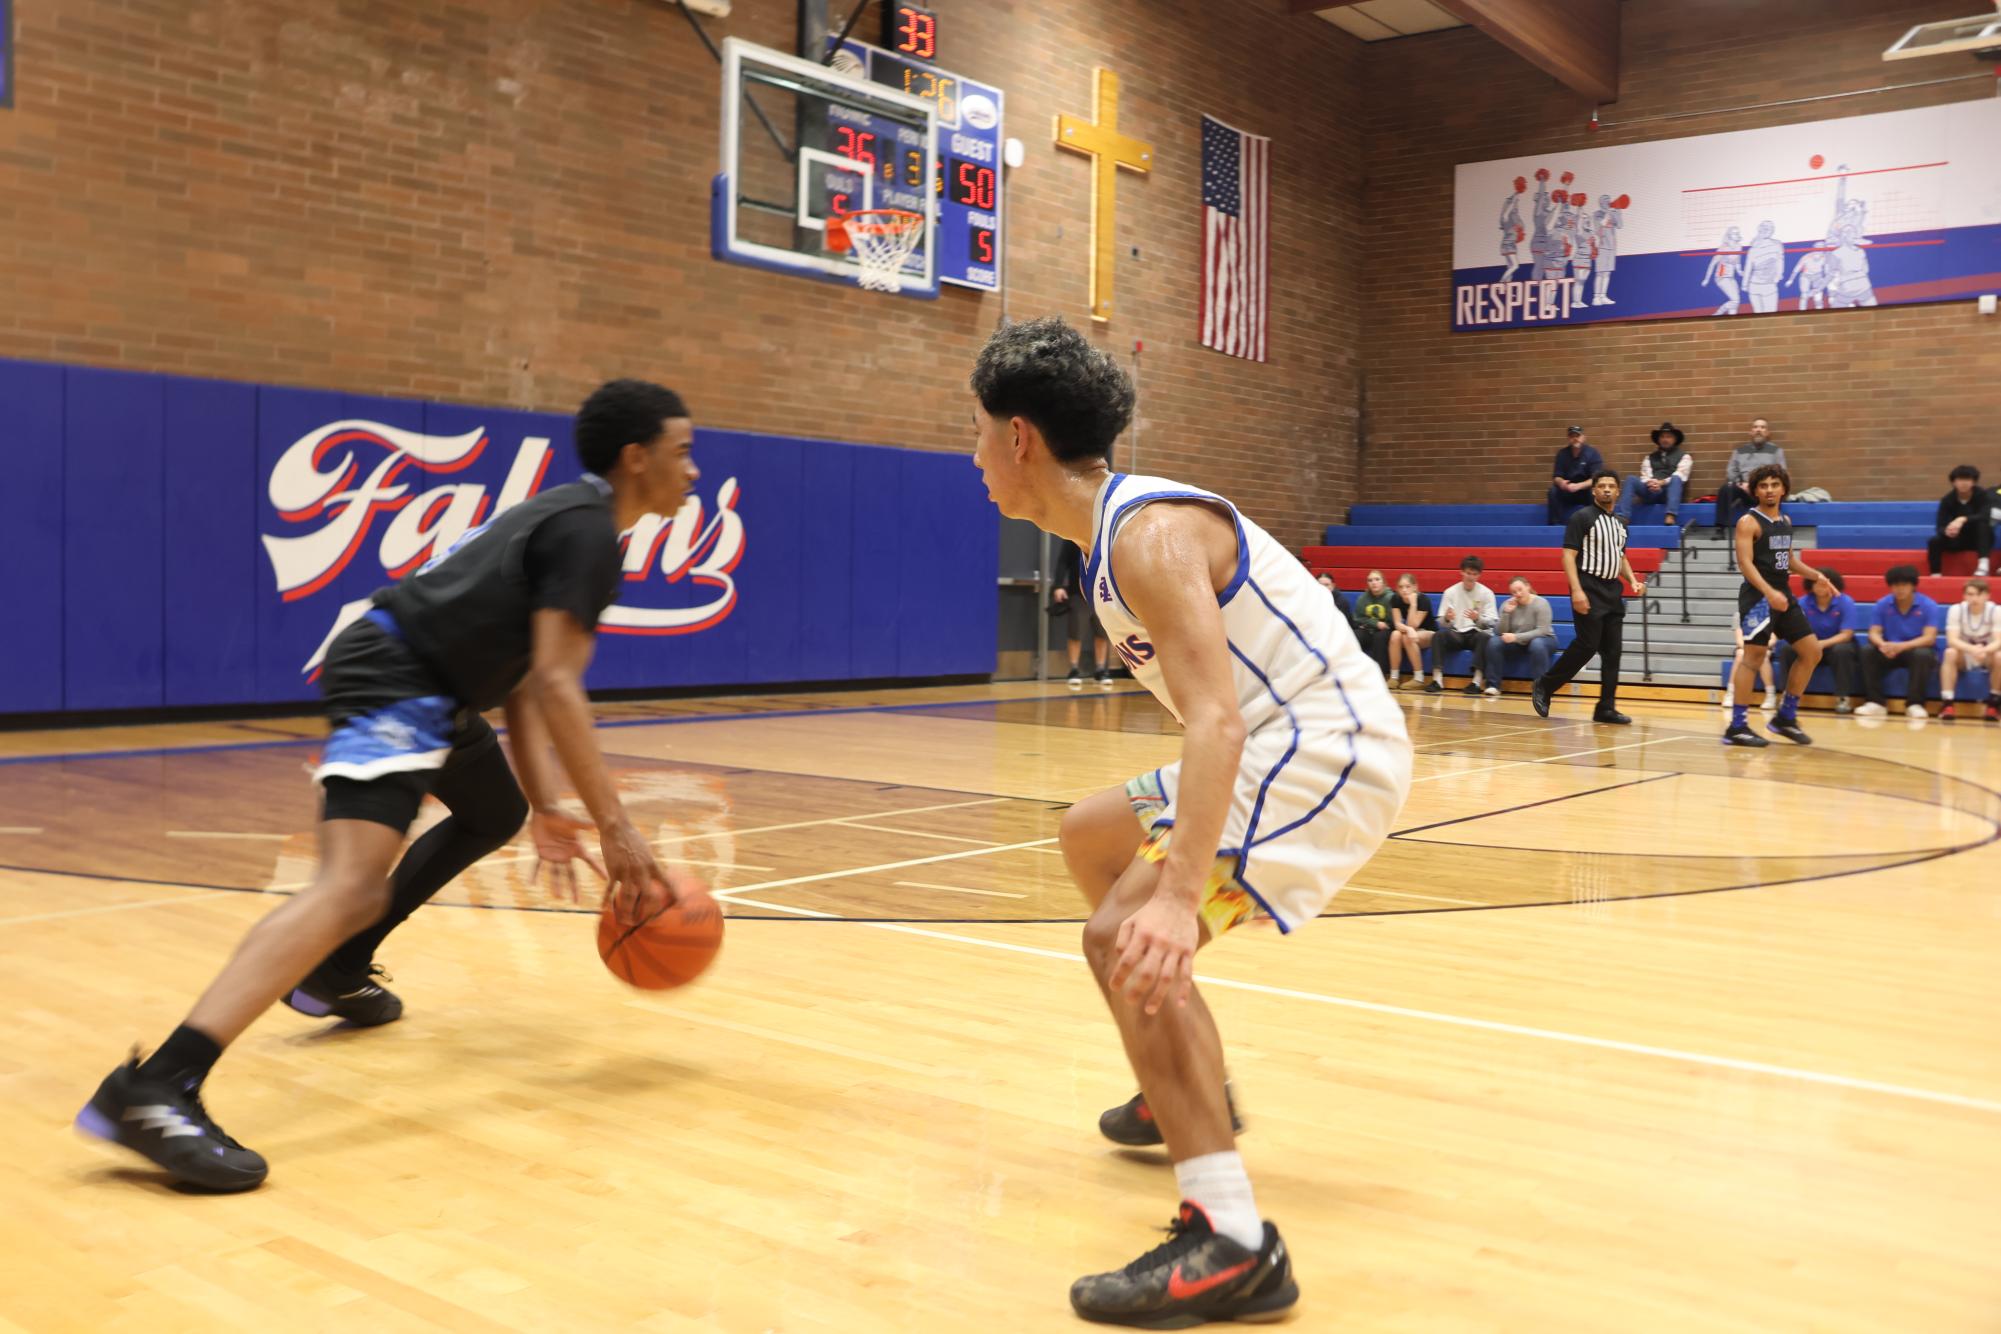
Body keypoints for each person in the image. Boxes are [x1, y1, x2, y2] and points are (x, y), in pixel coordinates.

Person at [76, 379, 707, 1190]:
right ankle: (157, 1087)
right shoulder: (586, 533)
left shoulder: (574, 520)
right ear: (636, 457)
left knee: (494, 809)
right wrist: (615, 825)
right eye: (683, 451)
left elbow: (520, 675)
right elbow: (557, 683)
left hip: (429, 684)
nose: (692, 472)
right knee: (346, 889)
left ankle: (338, 970)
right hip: (399, 677)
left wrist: (549, 806)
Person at [969, 316, 1411, 1327]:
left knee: (1126, 936)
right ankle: (1184, 1076)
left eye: (980, 433)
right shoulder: (1109, 538)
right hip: (1282, 741)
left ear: (1021, 437)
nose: (977, 456)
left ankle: (1233, 1238)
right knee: (1089, 831)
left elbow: (1218, 716)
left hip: (1318, 750)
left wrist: (1175, 897)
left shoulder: (1147, 535)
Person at [1722, 464, 1830, 746]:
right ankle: (1736, 727)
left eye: (1774, 484)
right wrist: (1768, 592)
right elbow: (1745, 564)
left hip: (1782, 595)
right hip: (1758, 598)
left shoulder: (1785, 519)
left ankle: (1785, 718)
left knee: (1812, 652)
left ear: (1784, 488)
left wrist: (1816, 575)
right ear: (1756, 491)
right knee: (1753, 658)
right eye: (1763, 485)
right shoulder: (1749, 522)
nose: (1769, 490)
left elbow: (1790, 560)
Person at [1532, 472, 1646, 725]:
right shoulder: (1581, 518)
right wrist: (1577, 590)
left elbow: (1620, 557)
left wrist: (1633, 579)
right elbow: (1568, 556)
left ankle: (1606, 707)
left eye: (1611, 486)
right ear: (1594, 491)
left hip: (1612, 591)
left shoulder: (1619, 523)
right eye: (1601, 486)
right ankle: (1545, 685)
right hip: (1588, 586)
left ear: (1618, 492)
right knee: (1587, 645)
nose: (1606, 490)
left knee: (1613, 652)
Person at [1856, 566, 1939, 719]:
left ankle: (1915, 704)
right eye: (1895, 585)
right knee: (1867, 651)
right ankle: (1876, 703)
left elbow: (1929, 638)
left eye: (1904, 585)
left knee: (1923, 654)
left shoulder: (1928, 605)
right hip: (1889, 650)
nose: (1900, 589)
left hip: (1914, 650)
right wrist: (1882, 644)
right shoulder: (1882, 604)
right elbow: (1873, 632)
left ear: (1913, 586)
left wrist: (1902, 646)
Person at [1776, 570, 1859, 714]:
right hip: (1810, 647)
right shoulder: (1803, 602)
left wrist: (1820, 644)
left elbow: (1846, 634)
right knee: (1786, 649)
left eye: (1825, 584)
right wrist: (1812, 645)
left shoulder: (1845, 601)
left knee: (1843, 650)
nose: (1821, 587)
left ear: (1832, 585)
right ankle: (1787, 695)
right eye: (1817, 584)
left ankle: (1842, 698)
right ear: (1811, 585)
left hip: (1834, 646)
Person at [1432, 556, 1498, 695]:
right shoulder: (1450, 592)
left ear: (1479, 575)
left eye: (1474, 574)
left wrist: (1478, 619)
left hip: (1476, 633)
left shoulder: (1487, 593)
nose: (1471, 577)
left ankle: (1476, 682)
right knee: (1438, 635)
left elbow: (1493, 623)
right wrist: (1447, 618)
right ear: (1461, 572)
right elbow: (1441, 623)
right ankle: (1437, 680)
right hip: (1457, 633)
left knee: (1484, 637)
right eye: (1468, 573)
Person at [1055, 539, 1114, 688]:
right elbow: (1063, 562)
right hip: (1078, 592)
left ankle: (1101, 669)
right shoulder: (1072, 538)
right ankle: (1074, 669)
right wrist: (1058, 585)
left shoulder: (1105, 538)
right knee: (1075, 631)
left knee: (1102, 632)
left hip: (1102, 594)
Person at [1939, 577, 1999, 722]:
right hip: (1965, 655)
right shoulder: (1956, 610)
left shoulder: (1996, 611)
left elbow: (1999, 641)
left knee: (2000, 656)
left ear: (1987, 595)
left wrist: (1983, 651)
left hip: (1987, 653)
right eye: (1970, 594)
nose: (1974, 598)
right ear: (1964, 596)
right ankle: (1947, 703)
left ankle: (1994, 704)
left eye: (1979, 594)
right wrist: (1973, 649)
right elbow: (1952, 640)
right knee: (1950, 652)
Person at [1481, 577, 1554, 695]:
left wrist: (1516, 637)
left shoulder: (1541, 603)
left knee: (1537, 644)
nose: (1518, 594)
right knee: (1494, 642)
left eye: (1520, 589)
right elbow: (1499, 632)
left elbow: (1542, 631)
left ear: (1528, 587)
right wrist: (1506, 614)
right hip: (1518, 643)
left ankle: (1541, 689)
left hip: (1545, 640)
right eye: (1514, 592)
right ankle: (1493, 685)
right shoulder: (1508, 604)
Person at [1717, 419, 1786, 540]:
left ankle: (1774, 528)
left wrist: (1761, 485)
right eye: (1755, 427)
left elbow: (1782, 472)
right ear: (1751, 432)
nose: (1759, 430)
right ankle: (1720, 528)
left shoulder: (1776, 451)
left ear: (1767, 433)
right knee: (1726, 488)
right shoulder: (1739, 451)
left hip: (1766, 490)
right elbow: (1731, 472)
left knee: (1777, 489)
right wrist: (1740, 484)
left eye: (1762, 427)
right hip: (1745, 491)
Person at [1618, 422, 1692, 526]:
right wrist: (1651, 483)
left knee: (1676, 478)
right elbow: (1645, 475)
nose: (1665, 439)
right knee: (1630, 479)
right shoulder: (1649, 457)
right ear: (1658, 439)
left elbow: (1682, 475)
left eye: (1669, 437)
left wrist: (1661, 483)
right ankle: (1623, 517)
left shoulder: (1685, 456)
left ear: (1674, 439)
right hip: (1651, 491)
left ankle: (1670, 515)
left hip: (1669, 493)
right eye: (1662, 437)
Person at [1928, 465, 1992, 577]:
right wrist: (1947, 531)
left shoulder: (1982, 495)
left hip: (1979, 540)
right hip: (1957, 540)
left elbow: (1986, 515)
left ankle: (1983, 565)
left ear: (1973, 482)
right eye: (1960, 479)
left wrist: (1963, 519)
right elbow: (1940, 526)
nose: (1963, 483)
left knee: (1983, 524)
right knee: (1934, 541)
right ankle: (1936, 574)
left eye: (1967, 479)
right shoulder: (1947, 500)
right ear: (1953, 482)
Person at [1546, 425, 1603, 525]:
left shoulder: (1592, 453)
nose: (1575, 438)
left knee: (1595, 491)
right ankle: (1555, 525)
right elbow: (1556, 476)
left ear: (1583, 437)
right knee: (1553, 491)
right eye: (1572, 436)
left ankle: (1596, 524)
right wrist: (1561, 483)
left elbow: (1596, 478)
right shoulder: (1562, 454)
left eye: (1578, 435)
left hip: (1585, 491)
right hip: (1568, 490)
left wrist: (1578, 486)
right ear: (1568, 438)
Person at [1386, 573, 1434, 690]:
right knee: (1395, 635)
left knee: (1406, 637)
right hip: (1408, 632)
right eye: (1401, 587)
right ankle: (1394, 677)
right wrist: (1408, 629)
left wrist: (1413, 604)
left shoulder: (1423, 599)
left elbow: (1414, 624)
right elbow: (1397, 624)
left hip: (1429, 633)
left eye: (1407, 587)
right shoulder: (1396, 598)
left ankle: (1419, 678)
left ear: (1414, 587)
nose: (1404, 590)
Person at [1349, 569, 1397, 678]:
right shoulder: (1363, 598)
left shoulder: (1391, 598)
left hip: (1387, 631)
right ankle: (1353, 672)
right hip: (1369, 629)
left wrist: (1376, 624)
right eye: (1370, 580)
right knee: (1355, 635)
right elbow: (1357, 619)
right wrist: (1375, 623)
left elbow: (1392, 621)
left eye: (1377, 579)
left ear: (1383, 582)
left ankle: (1380, 674)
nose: (1373, 582)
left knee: (1379, 637)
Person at [1728, 618, 1779, 714]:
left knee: (1762, 657)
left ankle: (1770, 695)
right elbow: (1739, 641)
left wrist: (1758, 648)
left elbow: (1773, 640)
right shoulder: (1739, 614)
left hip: (1764, 648)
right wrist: (1751, 649)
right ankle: (1731, 693)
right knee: (1740, 655)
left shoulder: (1770, 613)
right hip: (1744, 647)